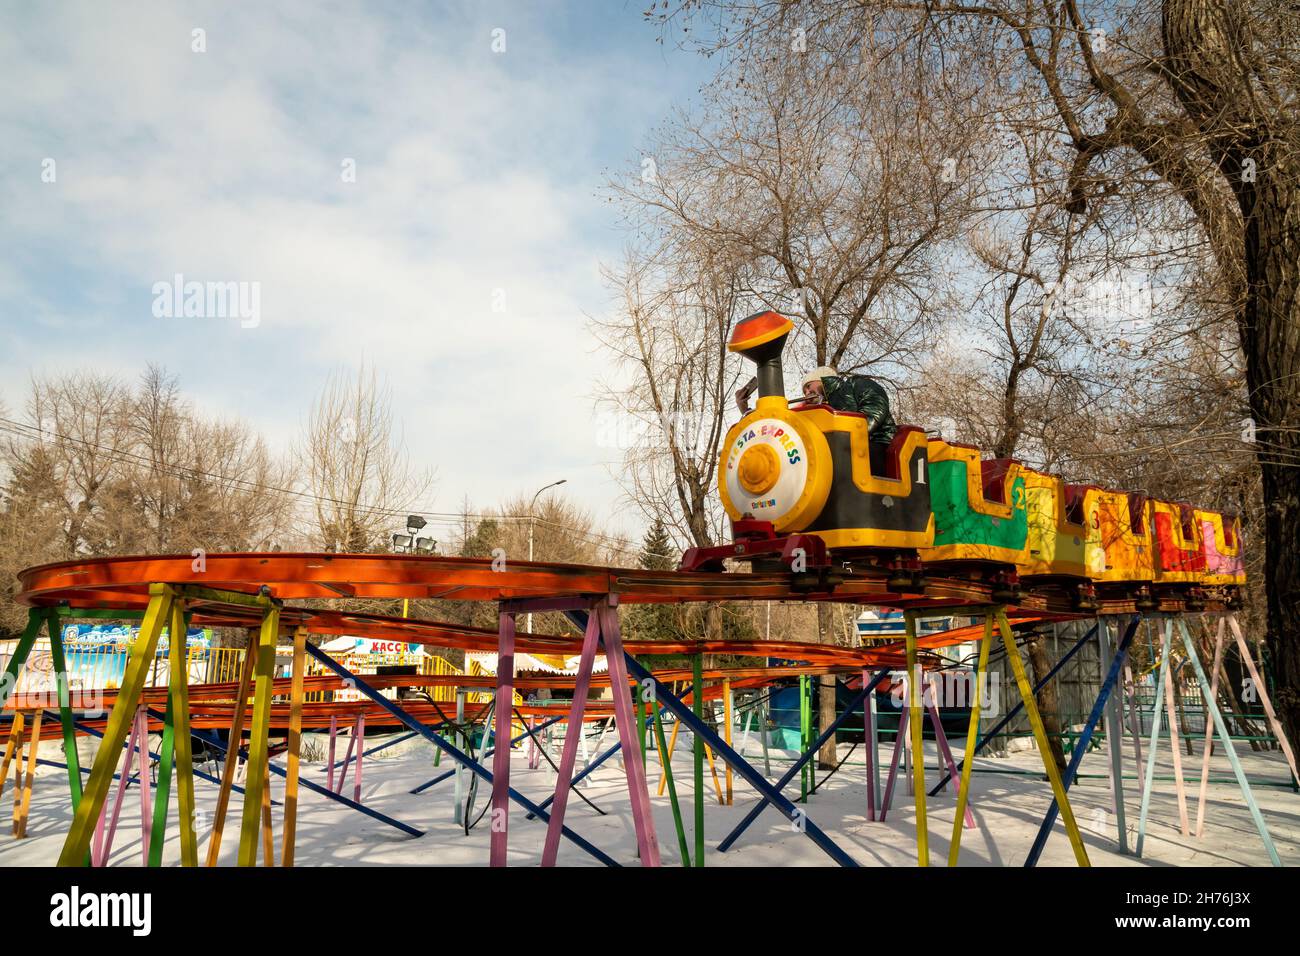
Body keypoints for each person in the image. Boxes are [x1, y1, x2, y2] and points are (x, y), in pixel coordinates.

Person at [801, 366, 898, 473]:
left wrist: (852, 435)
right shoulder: (821, 410)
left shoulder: (855, 383)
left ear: (821, 378)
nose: (807, 393)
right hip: (842, 447)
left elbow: (875, 407)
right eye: (804, 391)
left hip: (877, 440)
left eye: (809, 386)